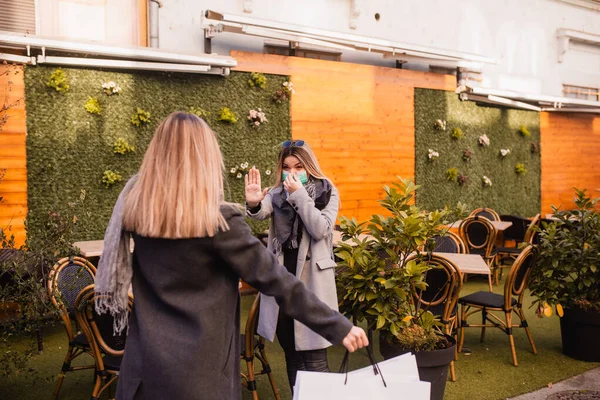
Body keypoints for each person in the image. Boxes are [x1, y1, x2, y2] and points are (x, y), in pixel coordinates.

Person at [93, 112, 368, 400]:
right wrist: (337, 324)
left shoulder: (137, 212)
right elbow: (275, 279)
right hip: (199, 379)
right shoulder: (219, 222)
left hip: (142, 374)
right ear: (207, 159)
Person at [245, 139, 342, 391]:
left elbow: (320, 229)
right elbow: (261, 210)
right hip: (283, 287)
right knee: (293, 357)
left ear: (309, 166)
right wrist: (254, 202)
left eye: (298, 166)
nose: (292, 172)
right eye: (287, 167)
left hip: (313, 289)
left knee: (316, 360)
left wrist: (299, 195)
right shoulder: (277, 193)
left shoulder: (327, 190)